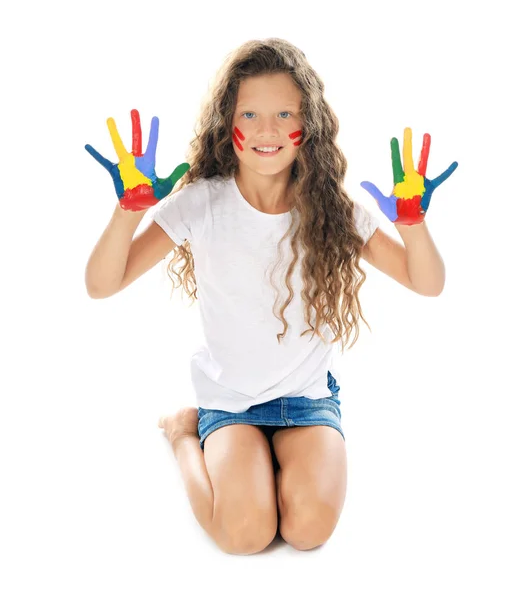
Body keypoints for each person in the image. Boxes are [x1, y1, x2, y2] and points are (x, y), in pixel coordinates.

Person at [84, 38, 455, 556]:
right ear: (226, 125)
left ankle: (272, 459)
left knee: (307, 532)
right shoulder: (202, 204)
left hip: (305, 403)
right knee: (244, 536)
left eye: (285, 113)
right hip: (228, 403)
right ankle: (182, 433)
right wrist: (128, 211)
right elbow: (101, 284)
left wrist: (412, 224)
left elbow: (427, 282)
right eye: (251, 114)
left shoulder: (332, 210)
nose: (267, 130)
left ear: (311, 127)